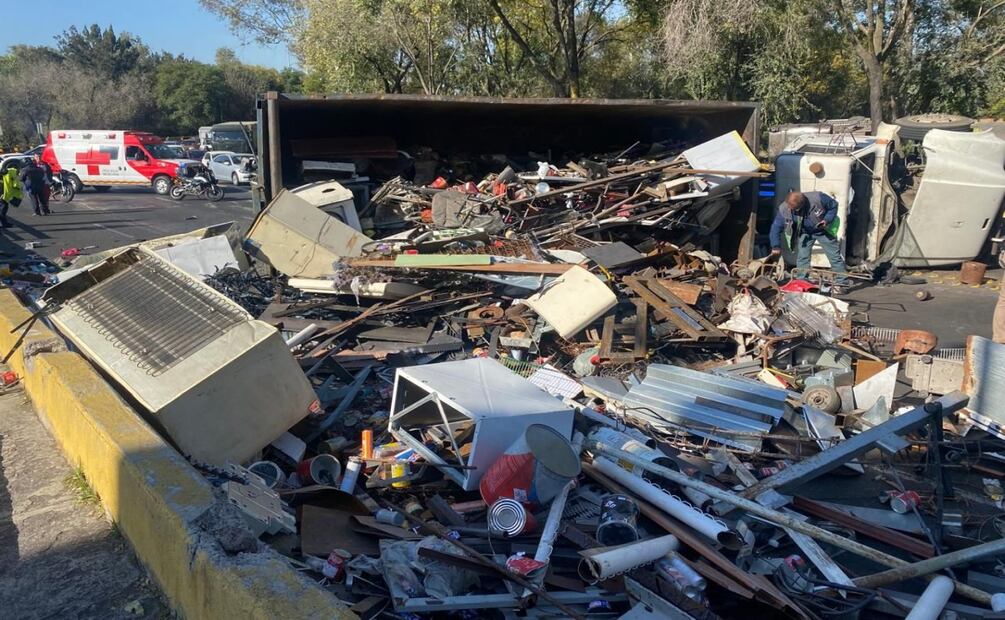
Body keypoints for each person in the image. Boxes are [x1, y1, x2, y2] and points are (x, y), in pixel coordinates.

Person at [769, 190, 848, 293]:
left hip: (823, 230)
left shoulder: (818, 198)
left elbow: (834, 206)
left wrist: (827, 220)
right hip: (805, 232)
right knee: (803, 257)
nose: (790, 210)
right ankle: (802, 281)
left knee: (834, 256)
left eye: (794, 209)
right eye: (790, 207)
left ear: (802, 205)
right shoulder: (784, 209)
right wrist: (775, 245)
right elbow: (776, 227)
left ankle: (842, 283)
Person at [0, 163, 23, 228]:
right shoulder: (6, 175)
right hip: (3, 195)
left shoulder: (5, 175)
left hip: (4, 194)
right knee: (3, 209)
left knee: (3, 208)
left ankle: (4, 223)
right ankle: (4, 223)